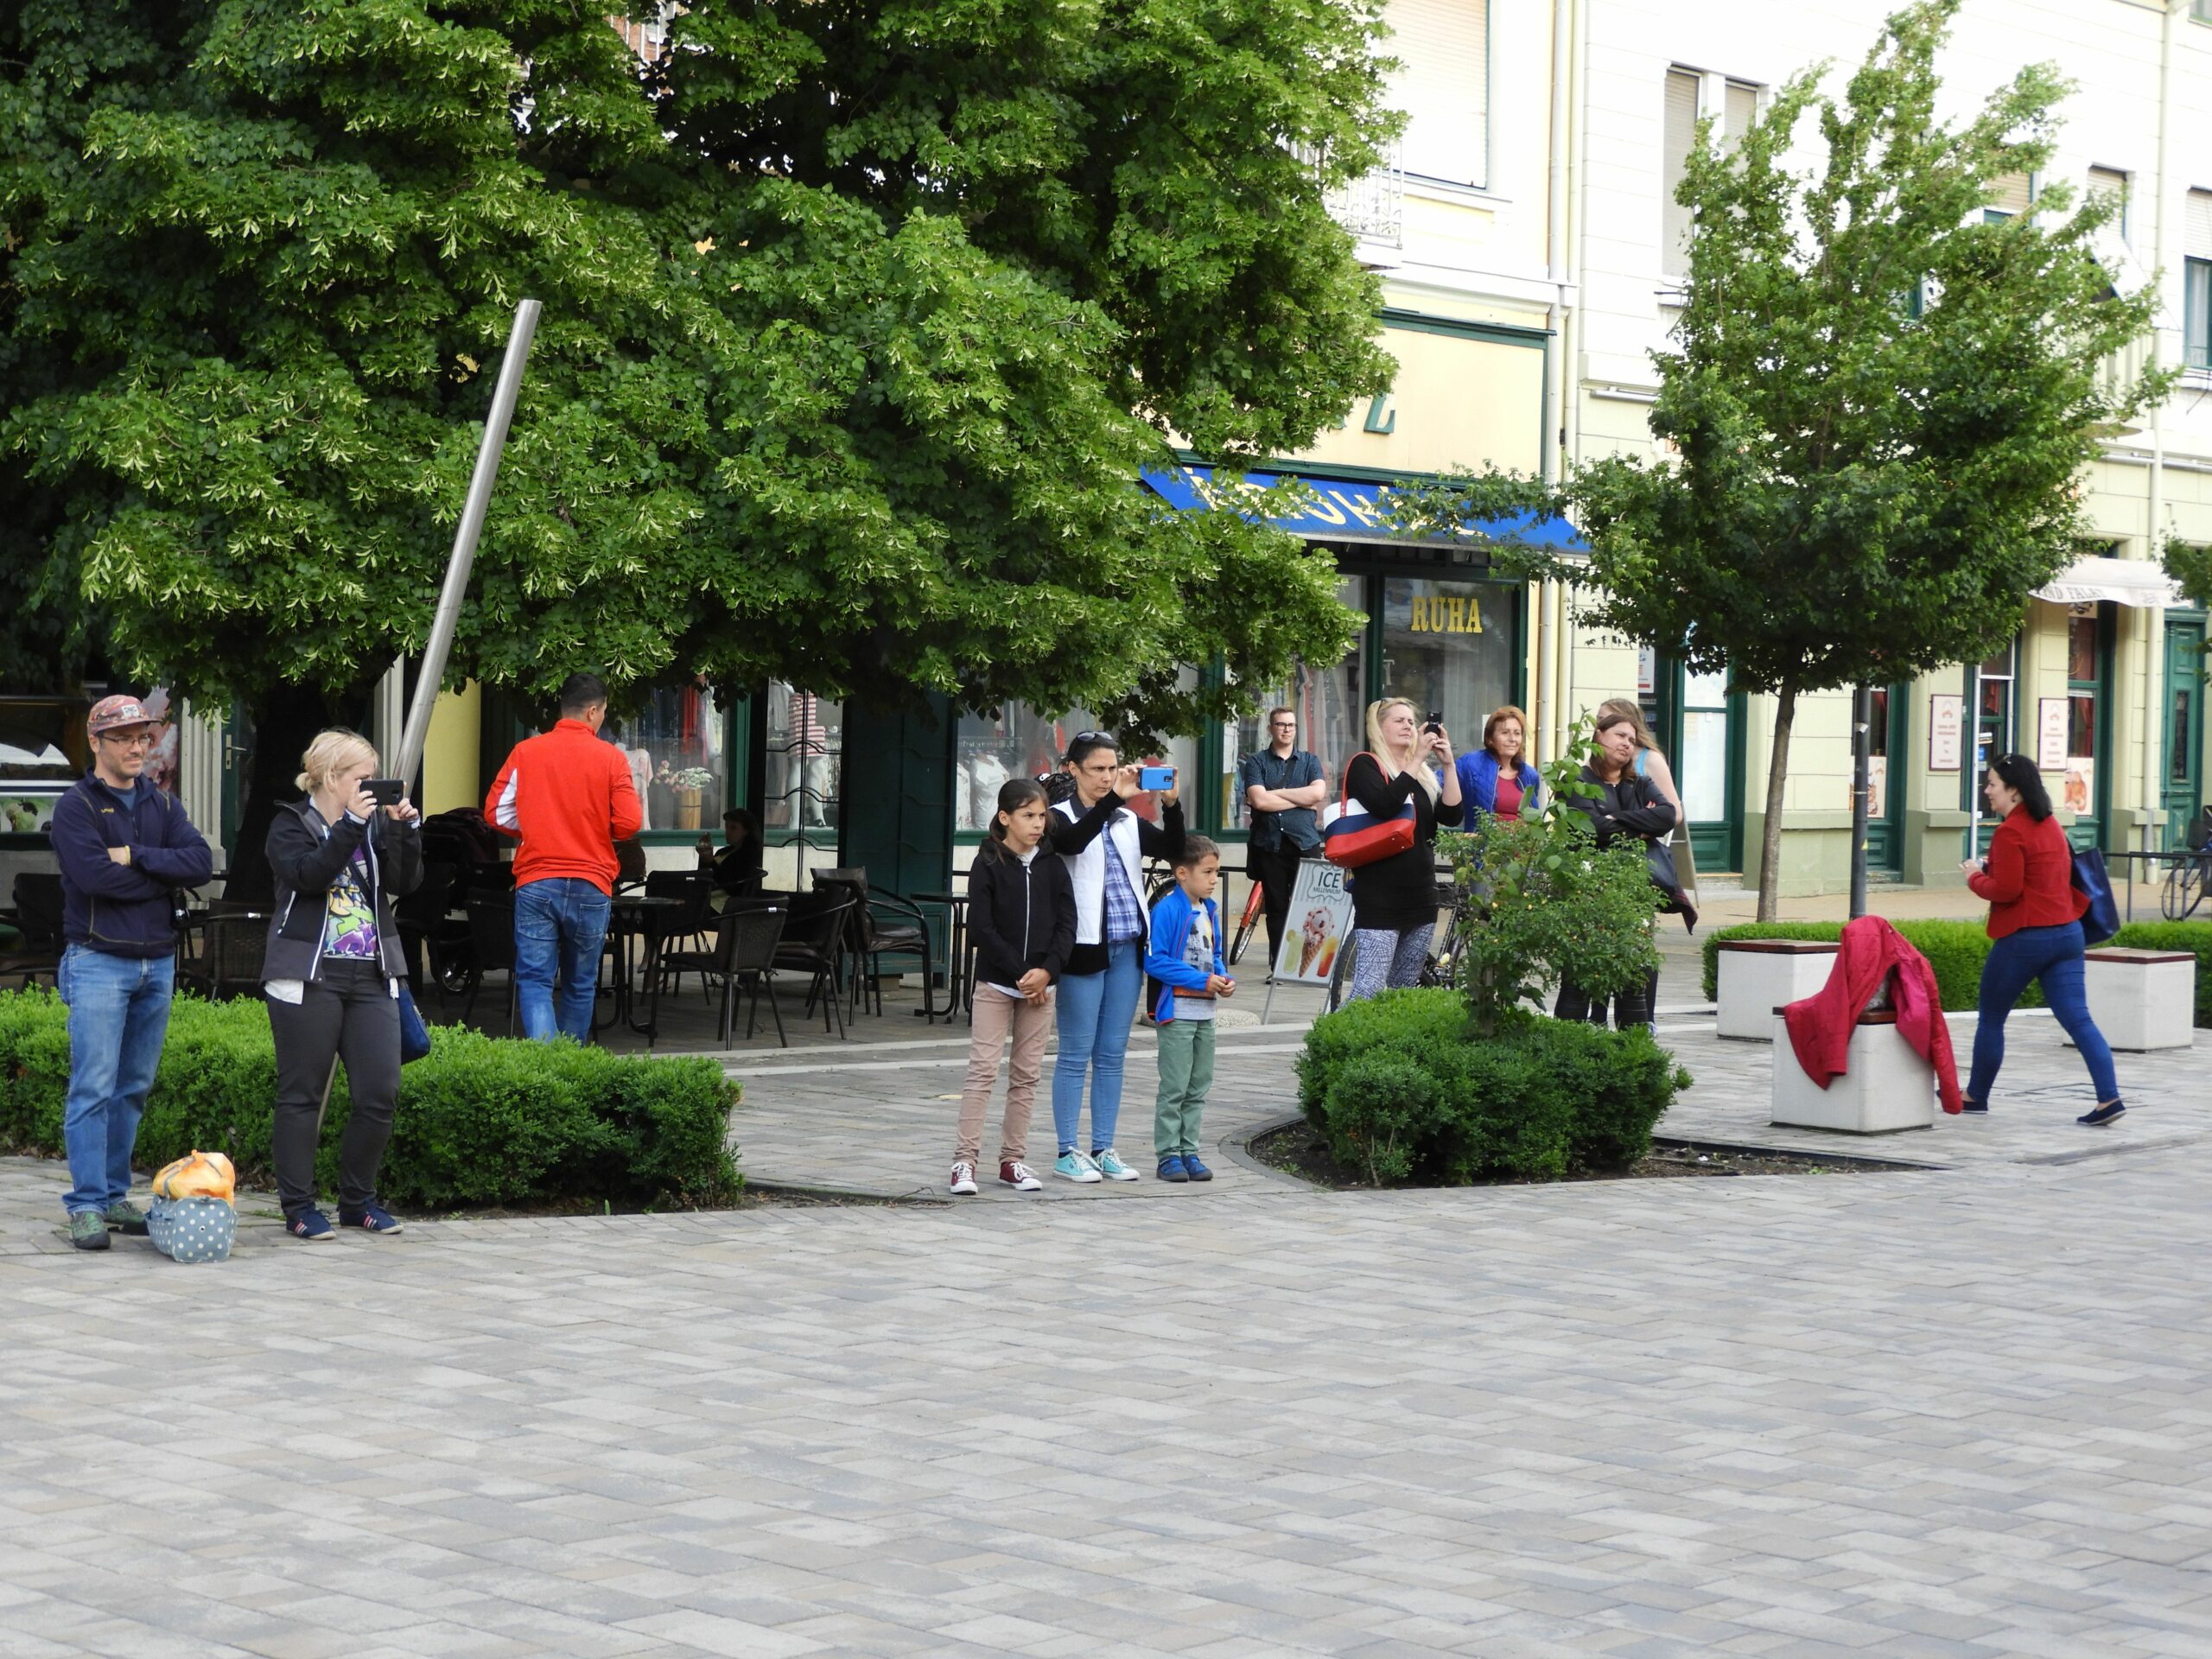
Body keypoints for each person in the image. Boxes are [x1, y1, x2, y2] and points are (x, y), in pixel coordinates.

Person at [49, 695, 213, 1251]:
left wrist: (135, 855)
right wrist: (160, 873)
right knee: (93, 1086)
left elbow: (201, 863)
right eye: (124, 738)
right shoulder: (76, 806)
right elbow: (96, 879)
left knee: (134, 1086)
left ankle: (116, 1196)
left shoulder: (163, 804)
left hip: (158, 961)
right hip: (97, 959)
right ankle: (88, 1205)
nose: (138, 747)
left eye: (144, 737)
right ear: (95, 742)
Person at [263, 730, 423, 1240]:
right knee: (302, 1094)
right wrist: (352, 824)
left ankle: (358, 1201)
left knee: (380, 1092)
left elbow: (404, 882)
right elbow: (310, 876)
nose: (371, 787)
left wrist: (404, 831)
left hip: (373, 974)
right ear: (332, 777)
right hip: (310, 976)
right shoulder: (290, 825)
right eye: (361, 777)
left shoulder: (372, 825)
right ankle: (300, 1207)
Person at [1046, 732, 1185, 1183]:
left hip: (1128, 947)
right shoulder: (1056, 816)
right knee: (1075, 1052)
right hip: (1084, 947)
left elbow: (1174, 850)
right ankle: (1068, 1150)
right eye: (1097, 769)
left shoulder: (1125, 818)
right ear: (1073, 769)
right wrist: (1111, 804)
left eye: (1112, 768)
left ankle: (1103, 1146)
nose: (1107, 777)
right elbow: (1071, 844)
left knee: (1112, 1053)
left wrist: (1171, 803)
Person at [1960, 753, 2126, 1126]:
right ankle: (2109, 1099)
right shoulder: (2051, 824)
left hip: (2026, 938)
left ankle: (1975, 1096)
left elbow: (2005, 890)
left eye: (1992, 785)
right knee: (2079, 1020)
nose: (1987, 791)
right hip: (2068, 934)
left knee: (1991, 1018)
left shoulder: (2009, 832)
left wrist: (1973, 875)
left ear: (2014, 791)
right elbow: (2042, 875)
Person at [485, 672, 644, 1042]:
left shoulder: (526, 751)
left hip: (537, 881)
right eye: (603, 712)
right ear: (592, 711)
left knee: (536, 981)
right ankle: (569, 1072)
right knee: (581, 984)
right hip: (592, 883)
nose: (602, 718)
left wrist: (537, 827)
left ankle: (547, 1071)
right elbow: (629, 822)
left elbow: (496, 813)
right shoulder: (611, 758)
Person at [950, 779, 1074, 1197]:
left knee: (1026, 1076)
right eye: (1028, 816)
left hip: (1042, 987)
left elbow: (1065, 925)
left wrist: (1047, 971)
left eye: (1042, 816)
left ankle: (1012, 1160)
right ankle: (965, 1161)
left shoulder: (1053, 865)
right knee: (983, 1072)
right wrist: (1023, 973)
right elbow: (981, 928)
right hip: (997, 984)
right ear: (1005, 818)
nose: (1038, 824)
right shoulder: (987, 863)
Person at [1556, 707, 1678, 1027]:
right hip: (1588, 889)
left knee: (1633, 963)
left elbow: (1666, 815)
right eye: (1620, 736)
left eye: (1631, 739)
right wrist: (1639, 826)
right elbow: (1589, 827)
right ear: (1599, 737)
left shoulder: (1639, 781)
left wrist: (1618, 820)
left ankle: (1635, 1036)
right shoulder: (1577, 780)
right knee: (1583, 967)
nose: (1627, 744)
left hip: (1632, 888)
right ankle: (1574, 1036)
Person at [1343, 699, 1463, 1002]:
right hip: (1380, 897)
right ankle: (1334, 1045)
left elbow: (1451, 816)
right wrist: (1418, 756)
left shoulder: (1421, 774)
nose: (1409, 726)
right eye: (1399, 721)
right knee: (1367, 991)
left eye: (1411, 721)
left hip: (1421, 896)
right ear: (1379, 727)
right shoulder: (1365, 765)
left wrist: (1448, 765)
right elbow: (1385, 804)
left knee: (1404, 993)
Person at [1146, 835, 1233, 1183]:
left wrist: (1224, 977)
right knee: (1175, 1087)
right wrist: (1201, 981)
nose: (1214, 880)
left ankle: (1189, 1151)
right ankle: (1168, 1155)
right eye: (1208, 872)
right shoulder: (1167, 909)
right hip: (1177, 1013)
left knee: (1198, 1086)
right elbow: (1155, 961)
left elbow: (1214, 956)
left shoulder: (1209, 910)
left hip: (1205, 1014)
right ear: (1182, 873)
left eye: (1216, 872)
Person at [1593, 696, 1698, 930]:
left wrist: (1626, 820)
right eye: (1599, 719)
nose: (1598, 724)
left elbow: (1673, 813)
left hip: (1639, 854)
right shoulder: (1598, 759)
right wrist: (1642, 816)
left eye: (1605, 718)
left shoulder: (1648, 759)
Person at [1239, 707, 1326, 971]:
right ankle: (1279, 967)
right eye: (1281, 725)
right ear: (1270, 729)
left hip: (1305, 843)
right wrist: (1299, 799)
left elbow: (1316, 795)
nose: (1287, 729)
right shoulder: (1257, 762)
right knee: (1276, 910)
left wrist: (1279, 794)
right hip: (1270, 845)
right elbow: (1258, 800)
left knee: (1310, 909)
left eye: (1291, 725)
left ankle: (1307, 968)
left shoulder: (1310, 761)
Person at [1455, 704, 1541, 823]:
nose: (1512, 739)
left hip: (1522, 841)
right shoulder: (1470, 763)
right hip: (1483, 841)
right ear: (1490, 738)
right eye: (1505, 732)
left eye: (1517, 733)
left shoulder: (1530, 774)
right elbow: (1437, 784)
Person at [696, 808, 766, 899]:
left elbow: (729, 884)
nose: (728, 832)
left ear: (746, 831)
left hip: (724, 904)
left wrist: (710, 862)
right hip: (708, 896)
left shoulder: (747, 856)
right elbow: (703, 876)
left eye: (733, 828)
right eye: (726, 827)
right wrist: (703, 856)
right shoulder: (722, 852)